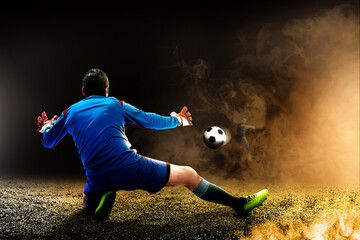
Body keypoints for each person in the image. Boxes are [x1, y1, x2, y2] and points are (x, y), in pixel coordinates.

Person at [36, 69, 268, 220]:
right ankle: (238, 204)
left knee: (87, 199)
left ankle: (100, 200)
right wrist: (179, 120)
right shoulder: (115, 103)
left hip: (96, 175)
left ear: (83, 92)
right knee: (189, 175)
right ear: (106, 91)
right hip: (128, 168)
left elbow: (48, 141)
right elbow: (149, 120)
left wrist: (47, 125)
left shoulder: (70, 111)